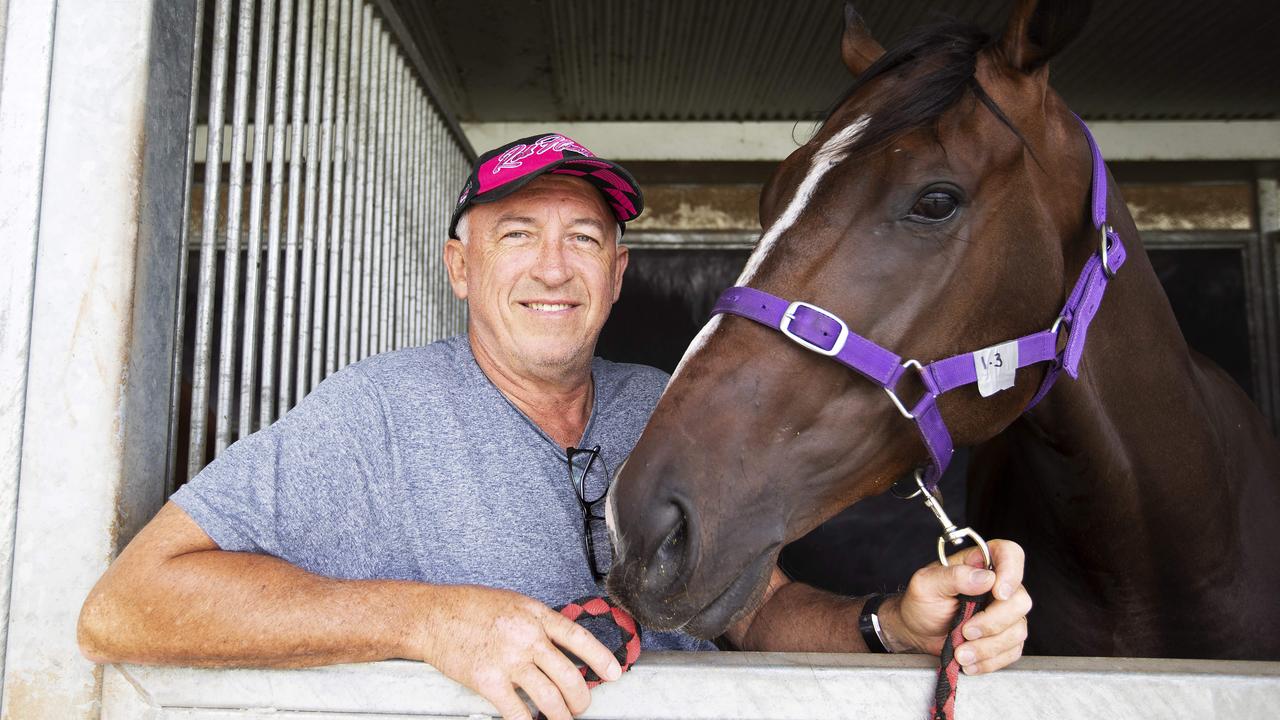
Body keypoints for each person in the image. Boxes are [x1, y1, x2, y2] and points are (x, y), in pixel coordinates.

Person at [78, 133, 1033, 720]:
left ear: (618, 275)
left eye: (582, 238)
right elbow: (128, 604)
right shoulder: (376, 414)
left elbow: (753, 611)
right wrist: (430, 621)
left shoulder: (662, 408)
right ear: (460, 267)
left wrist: (892, 626)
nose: (552, 269)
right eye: (516, 235)